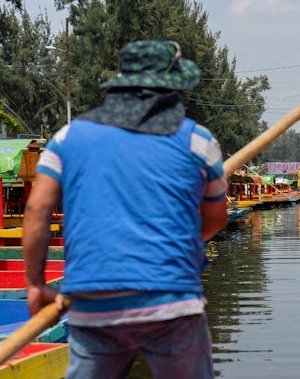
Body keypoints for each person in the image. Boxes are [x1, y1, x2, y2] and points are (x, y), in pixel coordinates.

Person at [23, 40, 228, 379]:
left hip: (93, 301)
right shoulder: (197, 140)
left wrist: (35, 284)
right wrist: (177, 239)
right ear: (173, 90)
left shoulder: (67, 137)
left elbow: (37, 210)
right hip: (171, 302)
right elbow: (216, 221)